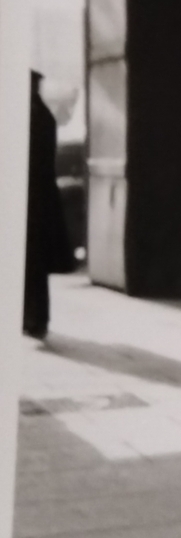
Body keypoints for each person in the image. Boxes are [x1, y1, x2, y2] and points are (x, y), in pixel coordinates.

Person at [24, 70, 72, 340]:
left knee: (31, 264)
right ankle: (34, 318)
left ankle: (33, 318)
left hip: (33, 201)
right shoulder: (42, 114)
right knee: (34, 265)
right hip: (37, 199)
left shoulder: (31, 116)